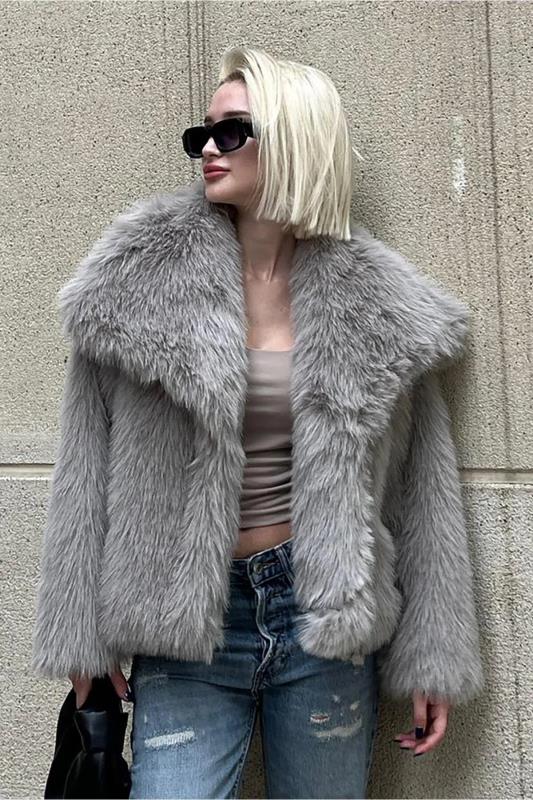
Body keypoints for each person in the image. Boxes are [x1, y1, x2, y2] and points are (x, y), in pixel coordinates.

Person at [31, 45, 484, 799]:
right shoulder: (136, 285)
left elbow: (421, 489)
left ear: (297, 137)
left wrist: (432, 654)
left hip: (323, 625)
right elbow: (84, 467)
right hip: (183, 626)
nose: (208, 149)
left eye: (233, 131)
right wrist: (80, 638)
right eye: (202, 134)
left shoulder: (379, 307)